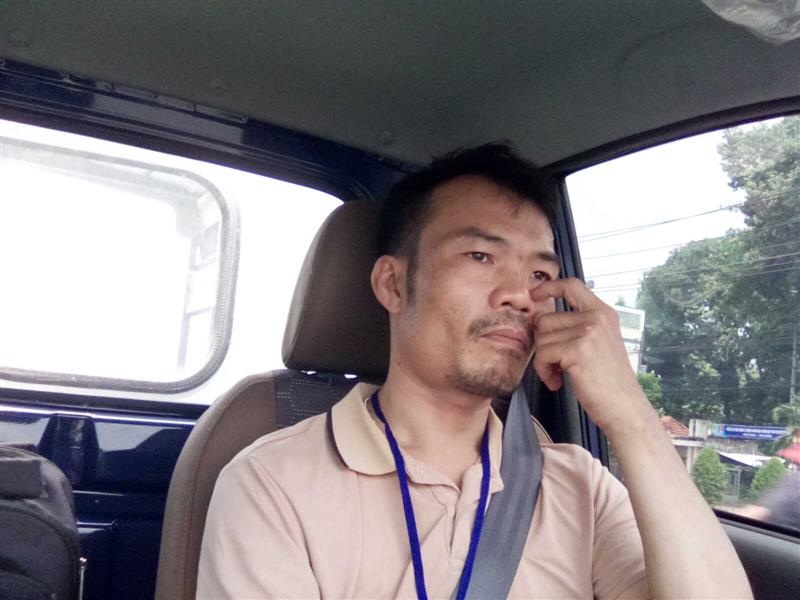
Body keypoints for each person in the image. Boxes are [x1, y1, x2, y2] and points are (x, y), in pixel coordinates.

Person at [197, 144, 752, 599]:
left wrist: (632, 418)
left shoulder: (579, 484)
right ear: (393, 284)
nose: (520, 295)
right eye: (481, 257)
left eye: (540, 275)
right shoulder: (273, 482)